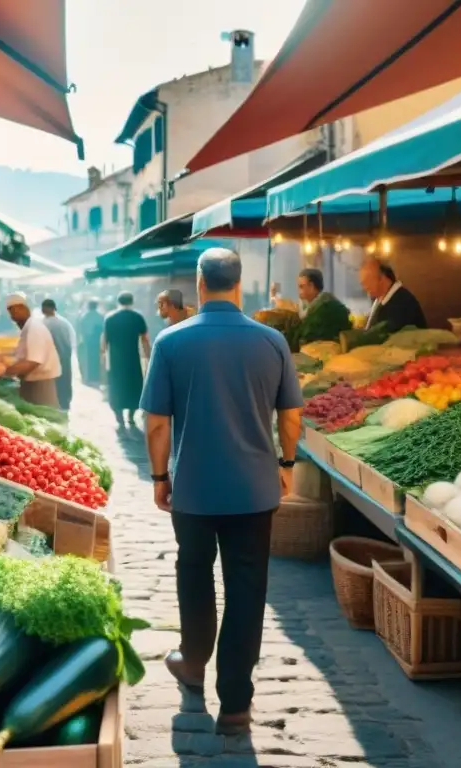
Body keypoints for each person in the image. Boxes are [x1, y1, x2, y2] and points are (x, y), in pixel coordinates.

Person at [140, 247, 303, 735]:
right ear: (239, 283)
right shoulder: (272, 341)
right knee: (247, 589)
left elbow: (155, 425)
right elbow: (291, 417)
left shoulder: (171, 341)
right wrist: (287, 464)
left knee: (193, 573)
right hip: (254, 489)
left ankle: (192, 663)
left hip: (191, 487)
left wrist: (159, 477)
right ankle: (235, 704)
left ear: (199, 282)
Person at [1, 293, 61, 407]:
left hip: (39, 387)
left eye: (12, 311)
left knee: (45, 420)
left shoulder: (34, 328)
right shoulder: (28, 327)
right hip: (34, 384)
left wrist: (3, 372)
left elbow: (32, 362)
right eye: (10, 312)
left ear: (22, 308)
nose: (12, 317)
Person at [102, 292, 150, 427]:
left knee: (116, 387)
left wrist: (103, 357)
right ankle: (131, 416)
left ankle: (119, 417)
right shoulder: (137, 317)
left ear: (118, 301)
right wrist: (148, 356)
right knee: (134, 388)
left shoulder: (110, 318)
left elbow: (104, 340)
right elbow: (145, 340)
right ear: (132, 301)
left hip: (115, 361)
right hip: (133, 360)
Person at [359, 259, 427, 332]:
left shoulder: (402, 302)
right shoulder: (380, 299)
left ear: (382, 278)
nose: (364, 287)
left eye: (367, 281)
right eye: (363, 283)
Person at [294, 268, 353, 345]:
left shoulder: (324, 306)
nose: (299, 291)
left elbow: (305, 337)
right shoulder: (318, 304)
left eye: (301, 287)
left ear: (311, 286)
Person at [41, 299, 76, 411]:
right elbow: (72, 340)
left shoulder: (42, 324)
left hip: (49, 359)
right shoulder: (65, 323)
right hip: (64, 357)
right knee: (65, 381)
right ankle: (65, 403)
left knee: (51, 383)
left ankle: (53, 405)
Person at [77, 300, 105, 386]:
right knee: (97, 359)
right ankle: (97, 377)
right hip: (98, 340)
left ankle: (88, 378)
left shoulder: (84, 316)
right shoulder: (101, 316)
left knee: (87, 359)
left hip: (87, 341)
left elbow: (81, 329)